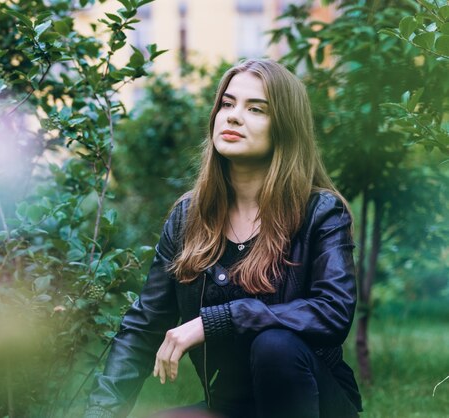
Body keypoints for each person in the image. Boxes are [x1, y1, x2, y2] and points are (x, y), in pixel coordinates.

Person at [84, 59, 362, 418]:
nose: (232, 117)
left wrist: (218, 320)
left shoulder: (319, 212)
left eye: (256, 109)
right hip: (230, 406)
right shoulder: (188, 216)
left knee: (275, 345)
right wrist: (100, 412)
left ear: (285, 128)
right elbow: (142, 328)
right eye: (227, 104)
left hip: (314, 403)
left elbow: (333, 312)